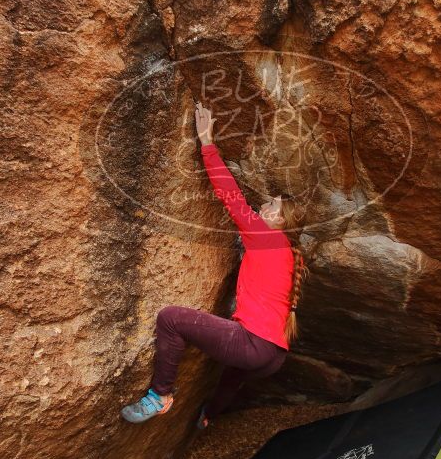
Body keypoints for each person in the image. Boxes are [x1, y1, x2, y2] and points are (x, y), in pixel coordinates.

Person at [121, 102, 307, 427]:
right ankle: (208, 416)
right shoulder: (291, 254)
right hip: (274, 356)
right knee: (232, 377)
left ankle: (160, 395)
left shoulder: (266, 236)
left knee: (170, 319)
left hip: (254, 345)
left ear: (277, 219)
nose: (262, 205)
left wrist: (207, 143)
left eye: (269, 204)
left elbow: (231, 196)